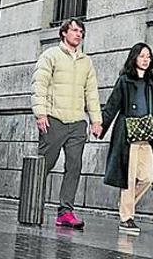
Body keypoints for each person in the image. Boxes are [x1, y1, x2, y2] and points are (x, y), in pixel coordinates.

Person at [31, 17, 102, 229]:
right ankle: (32, 205)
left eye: (81, 31)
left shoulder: (86, 62)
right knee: (44, 164)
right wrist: (40, 113)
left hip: (77, 123)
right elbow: (39, 85)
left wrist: (96, 120)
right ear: (64, 33)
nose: (78, 34)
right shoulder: (50, 55)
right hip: (53, 120)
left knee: (74, 166)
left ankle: (65, 212)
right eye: (74, 30)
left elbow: (92, 93)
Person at [100, 43, 153, 235]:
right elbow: (112, 105)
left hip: (147, 137)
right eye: (142, 56)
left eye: (148, 56)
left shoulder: (152, 84)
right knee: (128, 179)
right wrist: (101, 125)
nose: (146, 60)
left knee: (148, 177)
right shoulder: (124, 81)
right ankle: (126, 218)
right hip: (127, 136)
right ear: (134, 58)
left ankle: (125, 204)